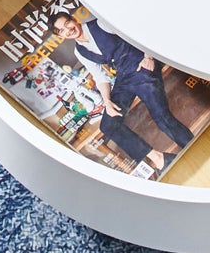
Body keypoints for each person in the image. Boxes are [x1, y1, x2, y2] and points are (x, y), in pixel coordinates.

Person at [49, 11, 194, 174]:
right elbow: (100, 76)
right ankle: (159, 159)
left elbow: (135, 32)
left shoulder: (100, 24)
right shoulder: (79, 52)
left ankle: (195, 148)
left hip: (141, 66)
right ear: (61, 35)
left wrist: (149, 57)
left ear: (73, 19)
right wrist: (107, 102)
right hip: (123, 78)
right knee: (108, 125)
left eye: (67, 23)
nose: (68, 30)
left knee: (161, 117)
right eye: (61, 30)